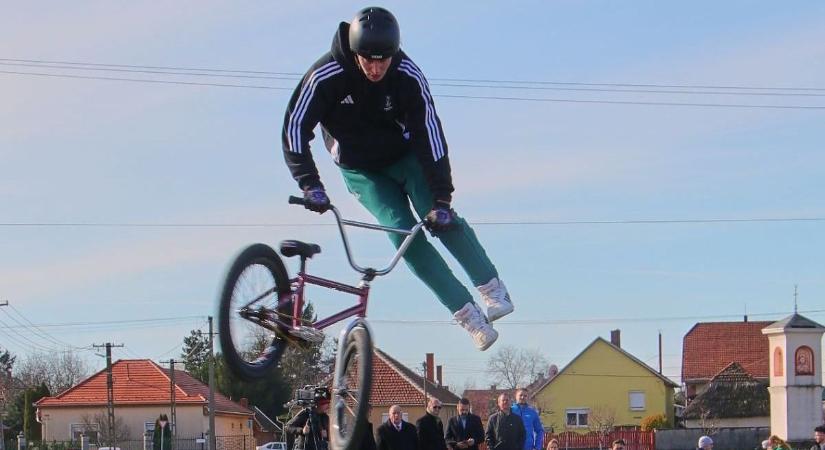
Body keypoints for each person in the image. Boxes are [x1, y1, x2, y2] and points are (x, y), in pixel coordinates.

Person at [281, 6, 514, 351]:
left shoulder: (407, 75)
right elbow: (294, 128)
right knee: (403, 236)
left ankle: (492, 288)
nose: (375, 69)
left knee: (437, 218)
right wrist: (310, 184)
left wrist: (441, 198)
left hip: (405, 157)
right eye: (368, 61)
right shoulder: (326, 75)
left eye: (383, 61)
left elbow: (430, 135)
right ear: (356, 52)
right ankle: (468, 315)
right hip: (362, 171)